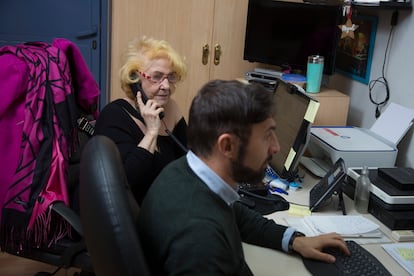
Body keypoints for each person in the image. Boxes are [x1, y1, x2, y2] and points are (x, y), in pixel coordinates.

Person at [138, 80, 350, 275]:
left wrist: (295, 241)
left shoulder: (185, 171)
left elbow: (237, 215)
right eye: (267, 135)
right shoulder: (200, 240)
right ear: (227, 145)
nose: (276, 147)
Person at [95, 36, 188, 204]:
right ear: (135, 79)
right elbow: (125, 182)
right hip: (139, 214)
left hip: (172, 204)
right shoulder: (114, 115)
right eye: (157, 76)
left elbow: (189, 161)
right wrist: (152, 132)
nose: (166, 86)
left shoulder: (171, 109)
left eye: (171, 77)